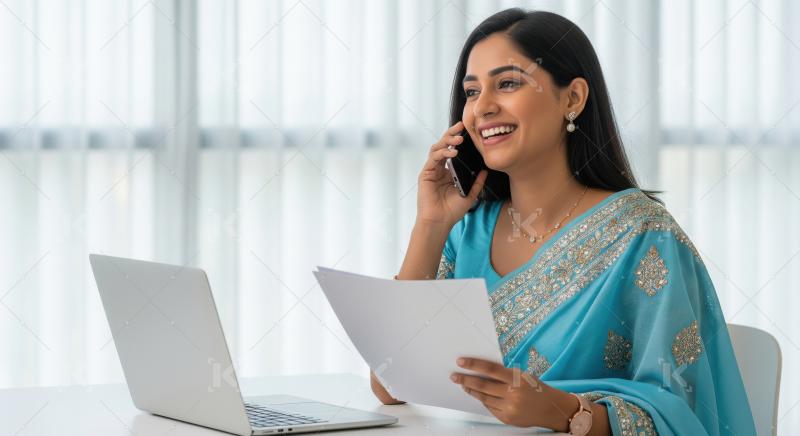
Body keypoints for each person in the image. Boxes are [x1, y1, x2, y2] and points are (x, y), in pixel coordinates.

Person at [370, 8, 756, 436]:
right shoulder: (466, 231)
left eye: (508, 83)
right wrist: (429, 224)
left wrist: (563, 411)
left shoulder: (642, 236)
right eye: (472, 91)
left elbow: (681, 412)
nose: (483, 108)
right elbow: (389, 383)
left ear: (572, 98)